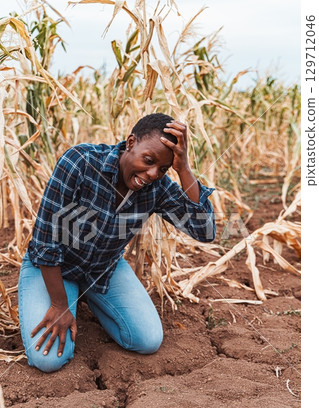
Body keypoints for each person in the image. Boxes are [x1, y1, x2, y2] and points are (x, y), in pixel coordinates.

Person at [18, 113, 216, 373]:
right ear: (131, 142)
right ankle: (68, 295)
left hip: (102, 269)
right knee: (48, 359)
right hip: (54, 267)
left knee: (147, 340)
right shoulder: (80, 162)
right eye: (148, 160)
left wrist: (183, 168)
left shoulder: (158, 187)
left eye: (163, 168)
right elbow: (46, 240)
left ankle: (85, 296)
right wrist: (59, 304)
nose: (153, 174)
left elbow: (204, 230)